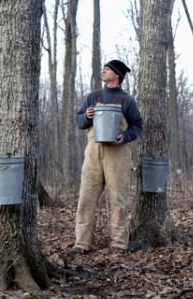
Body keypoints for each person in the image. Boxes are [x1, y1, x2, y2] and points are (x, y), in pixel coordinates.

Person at [69, 60, 143, 254]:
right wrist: (87, 116)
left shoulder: (127, 100)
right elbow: (79, 121)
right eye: (104, 68)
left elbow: (137, 126)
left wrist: (124, 137)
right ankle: (82, 243)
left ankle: (118, 242)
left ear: (117, 75)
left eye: (108, 69)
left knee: (118, 200)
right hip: (93, 153)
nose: (103, 71)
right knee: (86, 198)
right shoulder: (94, 96)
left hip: (118, 154)